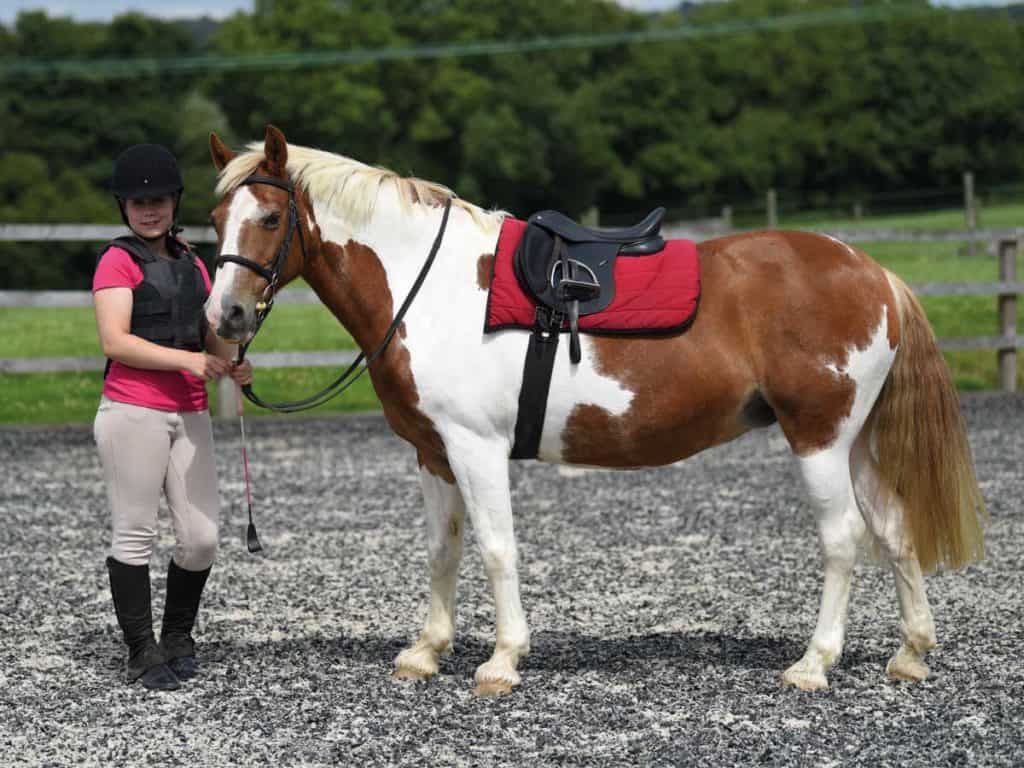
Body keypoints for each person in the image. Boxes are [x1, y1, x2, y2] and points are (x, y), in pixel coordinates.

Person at [92, 143, 251, 691]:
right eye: (137, 202)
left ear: (174, 201)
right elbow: (115, 339)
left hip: (190, 412)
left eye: (157, 199)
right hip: (131, 410)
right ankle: (141, 649)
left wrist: (232, 362)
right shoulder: (116, 260)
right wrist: (189, 359)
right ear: (124, 208)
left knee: (202, 538)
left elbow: (211, 337)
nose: (148, 209)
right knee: (134, 532)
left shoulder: (192, 262)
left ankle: (178, 635)